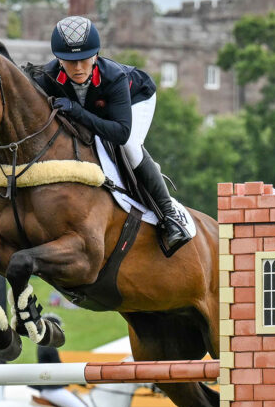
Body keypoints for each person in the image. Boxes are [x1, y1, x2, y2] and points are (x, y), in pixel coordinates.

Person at [31, 16, 192, 255]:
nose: (78, 68)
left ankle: (169, 215)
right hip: (100, 110)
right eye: (69, 61)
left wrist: (77, 111)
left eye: (84, 60)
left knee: (130, 146)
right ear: (58, 59)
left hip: (137, 98)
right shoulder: (46, 76)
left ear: (95, 56)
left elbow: (119, 132)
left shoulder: (113, 77)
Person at [27, 315, 96, 407]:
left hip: (50, 388)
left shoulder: (45, 344)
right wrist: (79, 381)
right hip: (51, 389)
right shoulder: (48, 346)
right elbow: (60, 369)